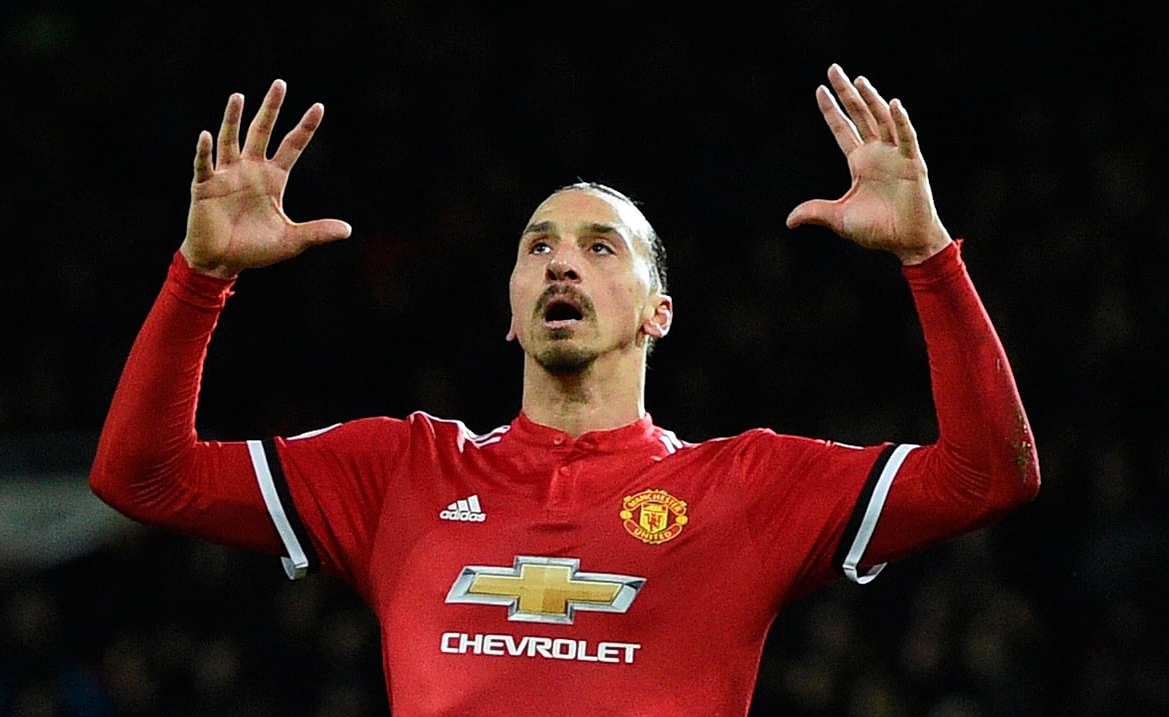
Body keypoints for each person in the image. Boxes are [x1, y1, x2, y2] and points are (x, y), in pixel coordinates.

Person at [89, 64, 1040, 715]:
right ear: (509, 310)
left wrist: (928, 258)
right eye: (536, 245)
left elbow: (986, 479)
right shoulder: (399, 470)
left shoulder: (745, 488)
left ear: (658, 311)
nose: (559, 264)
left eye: (599, 247)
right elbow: (143, 478)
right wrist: (199, 276)